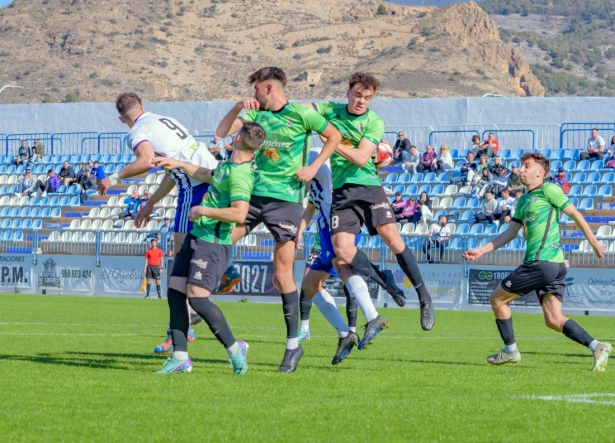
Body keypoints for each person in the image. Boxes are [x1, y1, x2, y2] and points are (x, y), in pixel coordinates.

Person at [215, 67, 342, 372]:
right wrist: (237, 107)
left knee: (283, 275)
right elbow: (221, 133)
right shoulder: (256, 116)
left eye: (257, 89)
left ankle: (292, 348)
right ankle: (223, 272)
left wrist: (314, 168)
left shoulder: (302, 114)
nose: (254, 95)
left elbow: (334, 136)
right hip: (253, 196)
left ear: (269, 88)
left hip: (287, 202)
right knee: (218, 240)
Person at [307, 72, 435, 335]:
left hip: (368, 186)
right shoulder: (331, 110)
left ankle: (424, 297)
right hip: (342, 192)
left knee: (393, 239)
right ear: (348, 93)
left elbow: (360, 156)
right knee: (341, 249)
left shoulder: (374, 121)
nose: (362, 101)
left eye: (368, 97)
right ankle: (384, 279)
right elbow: (301, 109)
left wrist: (332, 141)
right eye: (357, 95)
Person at [463, 152, 611, 371]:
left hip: (541, 262)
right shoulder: (522, 201)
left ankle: (510, 351)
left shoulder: (549, 189)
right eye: (521, 166)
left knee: (498, 299)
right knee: (553, 319)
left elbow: (575, 214)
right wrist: (482, 250)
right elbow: (510, 233)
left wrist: (594, 242)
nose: (521, 169)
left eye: (527, 166)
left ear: (540, 173)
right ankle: (597, 346)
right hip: (553, 266)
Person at [152, 121, 266, 375]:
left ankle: (236, 349)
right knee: (174, 291)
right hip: (197, 235)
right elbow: (205, 174)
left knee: (197, 298)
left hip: (213, 243)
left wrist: (204, 210)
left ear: (237, 139)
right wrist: (179, 164)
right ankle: (180, 356)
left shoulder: (240, 174)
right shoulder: (227, 166)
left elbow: (240, 213)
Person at [296, 148, 372, 364]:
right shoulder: (317, 163)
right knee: (310, 284)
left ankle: (371, 318)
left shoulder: (313, 156)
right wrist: (300, 230)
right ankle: (346, 333)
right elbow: (311, 205)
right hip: (327, 227)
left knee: (343, 268)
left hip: (336, 225)